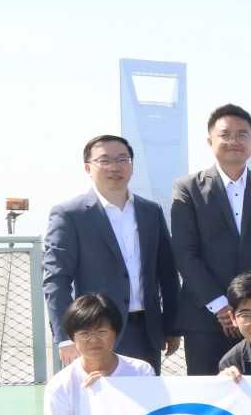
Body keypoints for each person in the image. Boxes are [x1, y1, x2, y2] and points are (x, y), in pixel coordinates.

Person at [44, 134, 181, 368]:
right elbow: (56, 279)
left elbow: (167, 273)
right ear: (88, 167)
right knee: (96, 391)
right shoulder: (70, 214)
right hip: (95, 331)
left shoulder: (151, 211)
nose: (114, 167)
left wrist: (171, 326)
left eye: (122, 159)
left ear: (132, 166)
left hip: (146, 331)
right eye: (104, 160)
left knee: (147, 391)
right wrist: (65, 337)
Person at [170, 104, 251, 374]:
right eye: (225, 134)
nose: (234, 141)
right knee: (206, 392)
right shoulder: (188, 189)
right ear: (210, 141)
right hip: (204, 318)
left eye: (242, 135)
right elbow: (185, 253)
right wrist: (220, 306)